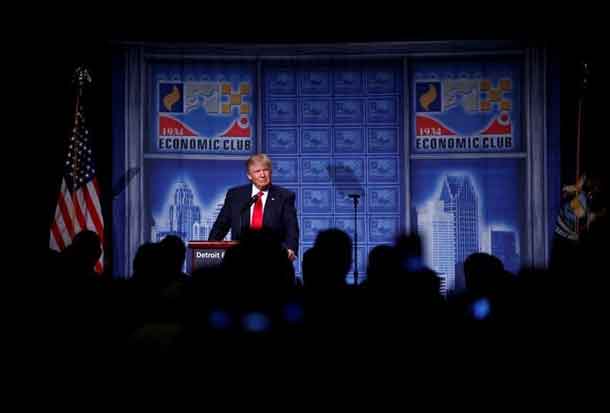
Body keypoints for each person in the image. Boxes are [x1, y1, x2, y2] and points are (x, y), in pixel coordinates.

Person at [209, 153, 299, 261]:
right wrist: (210, 248)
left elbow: (291, 227)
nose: (262, 175)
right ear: (249, 175)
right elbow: (221, 225)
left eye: (265, 170)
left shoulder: (284, 196)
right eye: (257, 171)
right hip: (240, 256)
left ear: (271, 172)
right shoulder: (235, 195)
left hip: (273, 256)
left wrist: (290, 248)